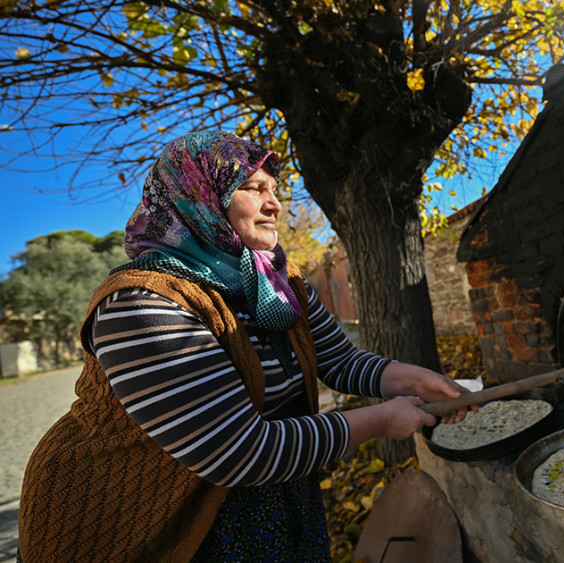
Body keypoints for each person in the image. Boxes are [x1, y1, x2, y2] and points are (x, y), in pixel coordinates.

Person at [17, 130, 470, 562]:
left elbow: (338, 359)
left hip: (268, 496)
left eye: (274, 189)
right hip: (136, 519)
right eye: (254, 188)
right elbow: (238, 450)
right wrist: (383, 418)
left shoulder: (277, 281)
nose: (274, 203)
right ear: (198, 198)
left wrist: (414, 379)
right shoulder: (142, 304)